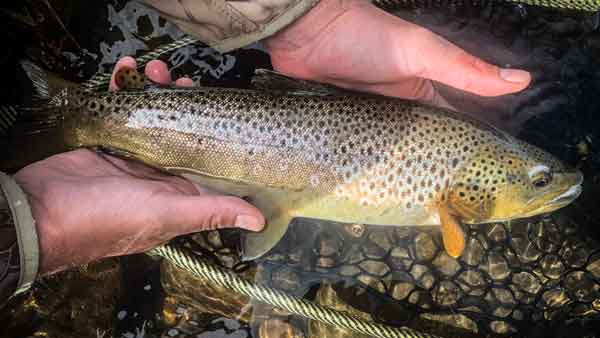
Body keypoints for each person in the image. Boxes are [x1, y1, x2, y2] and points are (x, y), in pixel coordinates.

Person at [0, 0, 530, 306]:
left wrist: (303, 20)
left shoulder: (458, 167)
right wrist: (41, 225)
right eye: (534, 181)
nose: (543, 187)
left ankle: (70, 116)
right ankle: (68, 118)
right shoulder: (452, 207)